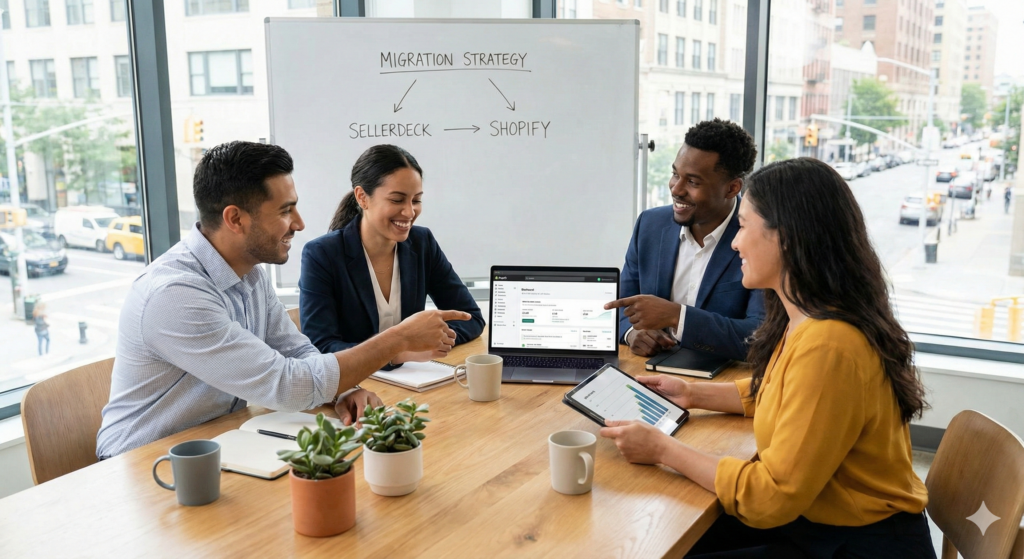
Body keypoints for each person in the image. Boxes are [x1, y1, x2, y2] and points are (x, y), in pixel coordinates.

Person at [600, 157, 935, 558]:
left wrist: (663, 450)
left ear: (787, 237)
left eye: (743, 226)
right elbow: (784, 392)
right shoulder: (810, 316)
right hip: (819, 521)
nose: (735, 242)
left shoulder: (829, 344)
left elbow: (769, 497)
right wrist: (690, 393)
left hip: (854, 544)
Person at [96, 141, 470, 459]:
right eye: (285, 210)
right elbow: (285, 383)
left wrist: (343, 391)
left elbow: (298, 352)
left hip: (218, 440)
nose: (300, 223)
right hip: (142, 460)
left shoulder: (250, 275)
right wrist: (398, 339)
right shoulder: (175, 295)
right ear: (235, 219)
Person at [299, 144, 485, 363]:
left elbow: (470, 317)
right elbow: (320, 346)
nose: (409, 212)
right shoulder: (321, 254)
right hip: (355, 388)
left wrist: (436, 339)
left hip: (415, 382)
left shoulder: (422, 243)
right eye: (397, 200)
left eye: (416, 200)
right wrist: (399, 352)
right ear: (362, 197)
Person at [605, 119, 765, 361]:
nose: (676, 189)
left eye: (692, 181)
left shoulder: (760, 236)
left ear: (732, 188)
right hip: (647, 374)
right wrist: (632, 332)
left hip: (723, 382)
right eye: (675, 174)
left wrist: (677, 317)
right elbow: (619, 308)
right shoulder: (649, 225)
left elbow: (758, 336)